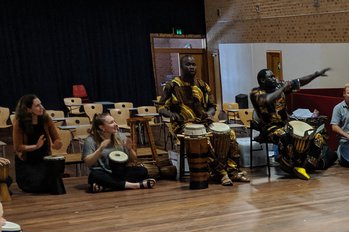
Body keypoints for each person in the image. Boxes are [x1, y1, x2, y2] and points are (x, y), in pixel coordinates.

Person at [158, 55, 247, 186]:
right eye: (188, 65)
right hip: (183, 125)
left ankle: (232, 170)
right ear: (181, 67)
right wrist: (172, 114)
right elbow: (161, 107)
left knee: (231, 134)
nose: (191, 67)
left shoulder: (202, 85)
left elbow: (212, 106)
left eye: (193, 64)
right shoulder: (172, 86)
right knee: (204, 139)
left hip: (203, 122)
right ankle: (222, 173)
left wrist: (209, 114)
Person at [250, 67, 335, 180]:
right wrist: (282, 88)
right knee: (285, 135)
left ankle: (307, 165)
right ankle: (289, 165)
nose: (274, 78)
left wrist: (316, 74)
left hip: (287, 124)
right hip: (270, 128)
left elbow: (299, 81)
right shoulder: (256, 93)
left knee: (316, 135)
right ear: (262, 80)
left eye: (273, 76)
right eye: (270, 77)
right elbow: (267, 99)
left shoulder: (279, 86)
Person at [82, 112, 155, 193]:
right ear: (102, 127)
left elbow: (134, 159)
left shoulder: (121, 136)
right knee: (94, 176)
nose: (115, 124)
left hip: (120, 172)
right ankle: (136, 185)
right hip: (104, 173)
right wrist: (100, 149)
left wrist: (130, 149)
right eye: (111, 122)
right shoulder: (90, 140)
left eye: (115, 121)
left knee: (143, 171)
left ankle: (106, 187)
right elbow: (88, 163)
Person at [12, 94, 64, 194]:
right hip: (27, 162)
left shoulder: (45, 118)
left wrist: (58, 144)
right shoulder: (19, 122)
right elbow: (18, 147)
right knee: (35, 186)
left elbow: (56, 139)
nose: (42, 107)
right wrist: (36, 146)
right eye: (37, 105)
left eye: (41, 104)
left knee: (52, 184)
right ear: (28, 109)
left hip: (43, 159)